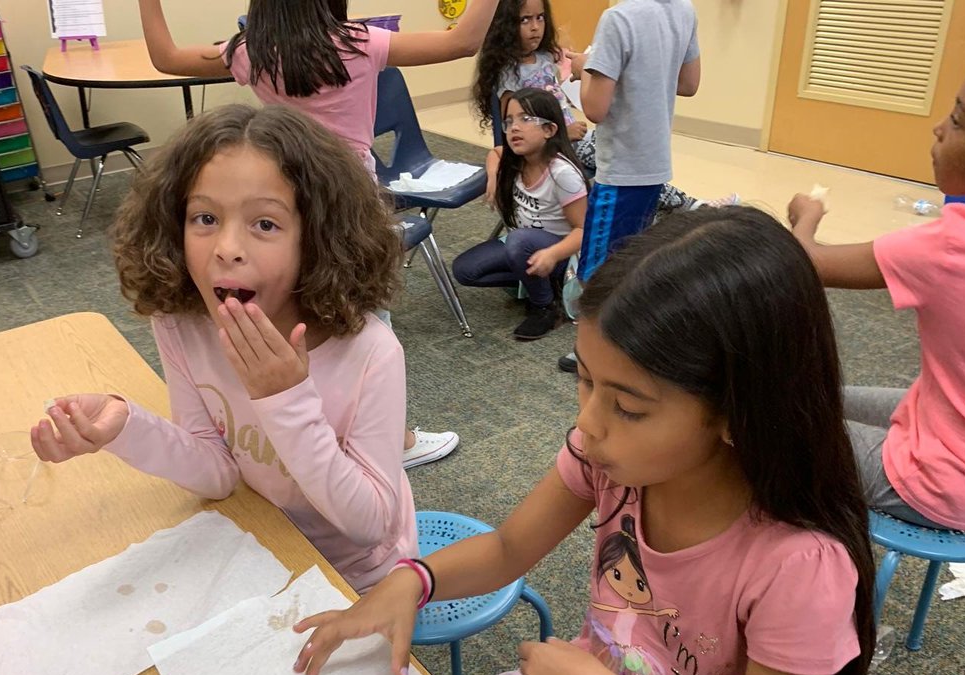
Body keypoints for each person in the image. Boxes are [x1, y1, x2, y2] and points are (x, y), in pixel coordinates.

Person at [292, 207, 877, 675]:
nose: (588, 424)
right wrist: (413, 580)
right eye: (584, 379)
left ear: (733, 413)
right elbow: (509, 548)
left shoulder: (797, 566)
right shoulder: (610, 461)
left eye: (627, 407)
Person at [29, 105, 419, 593]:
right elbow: (217, 473)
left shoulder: (370, 352)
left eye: (266, 225)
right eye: (206, 218)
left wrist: (287, 400)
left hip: (361, 575)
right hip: (262, 543)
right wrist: (123, 425)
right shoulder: (182, 325)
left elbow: (371, 525)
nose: (227, 247)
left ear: (317, 240)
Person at [135, 0, 482, 467]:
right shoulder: (358, 43)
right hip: (344, 210)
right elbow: (461, 41)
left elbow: (166, 58)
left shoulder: (250, 52)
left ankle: (294, 429)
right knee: (365, 326)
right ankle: (390, 441)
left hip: (278, 212)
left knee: (291, 318)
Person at [787, 43, 965, 533]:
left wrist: (806, 218)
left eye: (958, 121)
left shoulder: (951, 245)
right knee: (821, 396)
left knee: (767, 422)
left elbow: (803, 262)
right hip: (955, 434)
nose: (940, 128)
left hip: (946, 482)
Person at [471, 0, 724, 218]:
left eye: (540, 18)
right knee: (612, 151)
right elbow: (513, 128)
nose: (535, 27)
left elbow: (555, 99)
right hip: (553, 142)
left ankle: (685, 205)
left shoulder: (546, 59)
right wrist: (561, 133)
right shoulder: (509, 73)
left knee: (611, 150)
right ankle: (690, 205)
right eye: (524, 20)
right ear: (505, 26)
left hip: (568, 136)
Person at [556, 0, 703, 375]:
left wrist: (580, 67)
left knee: (597, 269)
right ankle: (627, 340)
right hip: (653, 161)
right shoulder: (683, 10)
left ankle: (594, 353)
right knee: (632, 258)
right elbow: (689, 84)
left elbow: (594, 108)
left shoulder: (618, 18)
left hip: (620, 167)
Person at [452, 89, 586, 340]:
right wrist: (493, 176)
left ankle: (544, 306)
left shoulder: (563, 173)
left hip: (560, 252)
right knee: (465, 270)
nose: (514, 128)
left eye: (525, 119)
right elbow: (495, 153)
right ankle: (539, 282)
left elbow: (582, 230)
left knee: (519, 241)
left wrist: (552, 254)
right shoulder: (517, 159)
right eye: (510, 121)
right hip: (523, 245)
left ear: (549, 130)